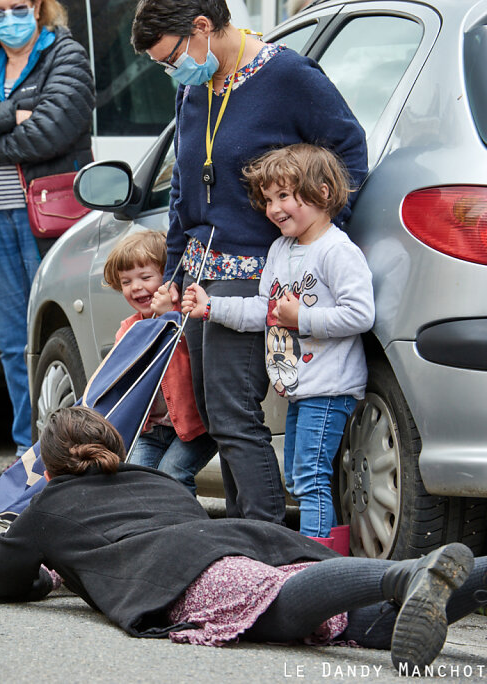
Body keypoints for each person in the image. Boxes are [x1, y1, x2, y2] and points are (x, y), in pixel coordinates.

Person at [0, 406, 487, 672]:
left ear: (52, 468)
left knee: (280, 608)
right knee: (367, 629)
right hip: (249, 542)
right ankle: (456, 577)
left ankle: (408, 572)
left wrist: (37, 576)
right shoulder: (158, 480)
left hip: (190, 568)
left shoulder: (47, 506)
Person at [129, 0, 368, 524]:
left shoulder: (288, 75)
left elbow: (348, 150)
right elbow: (182, 193)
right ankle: (242, 532)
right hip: (199, 271)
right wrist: (172, 275)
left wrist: (317, 232)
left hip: (256, 269)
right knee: (215, 415)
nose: (174, 71)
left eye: (172, 58)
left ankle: (263, 537)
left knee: (235, 412)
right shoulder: (196, 87)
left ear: (201, 27)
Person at [182, 144, 374, 540]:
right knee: (305, 476)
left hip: (329, 386)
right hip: (301, 388)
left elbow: (360, 315)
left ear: (322, 192)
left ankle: (312, 563)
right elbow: (261, 309)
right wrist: (212, 308)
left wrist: (299, 318)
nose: (273, 208)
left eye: (284, 196)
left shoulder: (337, 251)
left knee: (309, 477)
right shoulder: (281, 249)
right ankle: (322, 555)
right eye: (268, 199)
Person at [0, 0, 95, 487]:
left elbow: (52, 132)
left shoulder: (66, 56)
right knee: (13, 345)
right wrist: (11, 113)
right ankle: (27, 455)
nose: (10, 17)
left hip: (49, 221)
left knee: (56, 334)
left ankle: (67, 449)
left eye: (20, 6)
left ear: (40, 7)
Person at [101, 230, 216, 494]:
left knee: (172, 475)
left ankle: (187, 533)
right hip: (151, 430)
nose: (136, 287)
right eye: (126, 281)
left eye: (145, 277)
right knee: (133, 482)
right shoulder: (127, 331)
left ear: (168, 278)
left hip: (195, 426)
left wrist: (168, 317)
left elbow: (195, 350)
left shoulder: (185, 319)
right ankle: (150, 533)